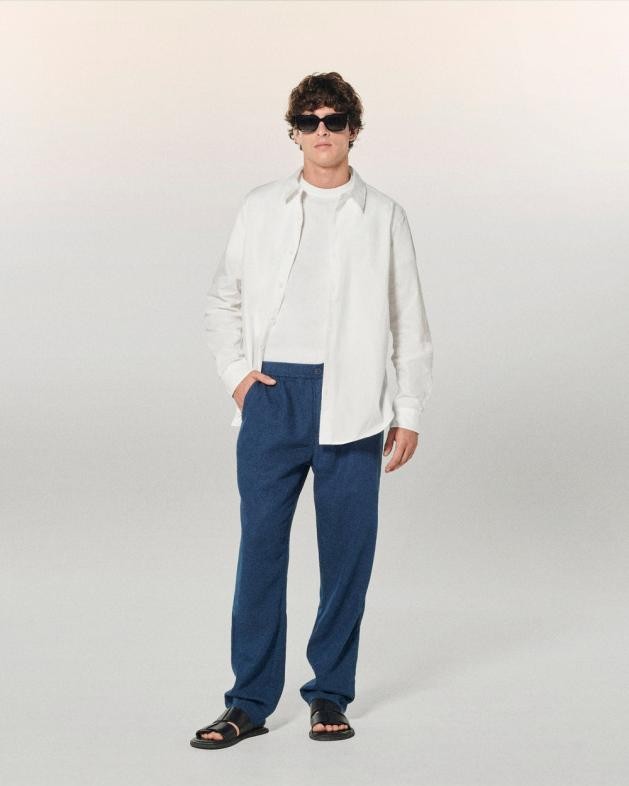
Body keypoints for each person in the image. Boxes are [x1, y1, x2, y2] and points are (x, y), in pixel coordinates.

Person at [190, 71, 433, 750]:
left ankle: (331, 692)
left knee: (346, 556)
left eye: (334, 120)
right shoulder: (261, 206)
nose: (321, 131)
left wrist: (408, 408)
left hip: (353, 400)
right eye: (308, 120)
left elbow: (408, 319)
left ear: (353, 129)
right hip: (274, 397)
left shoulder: (384, 215)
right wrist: (238, 378)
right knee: (260, 553)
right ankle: (248, 702)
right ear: (294, 131)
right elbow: (223, 299)